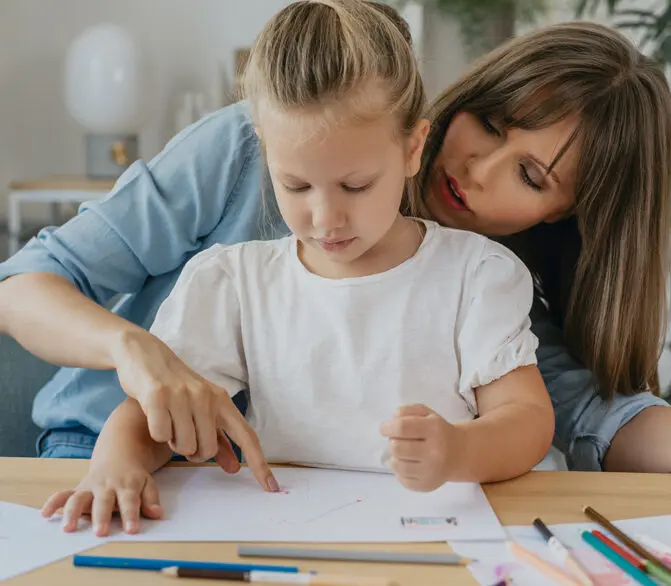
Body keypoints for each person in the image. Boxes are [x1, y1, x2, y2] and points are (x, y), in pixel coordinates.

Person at [0, 4, 669, 474]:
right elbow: (26, 283)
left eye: (527, 175)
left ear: (564, 214)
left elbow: (587, 414)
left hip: (295, 492)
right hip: (104, 450)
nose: (474, 167)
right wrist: (134, 350)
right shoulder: (258, 142)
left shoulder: (484, 275)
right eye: (489, 124)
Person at [40, 0, 554, 536]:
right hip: (287, 528)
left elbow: (528, 420)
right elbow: (160, 410)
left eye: (356, 186)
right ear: (265, 150)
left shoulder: (475, 274)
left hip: (431, 532)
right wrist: (116, 461)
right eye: (296, 185)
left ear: (413, 149)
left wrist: (459, 450)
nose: (326, 218)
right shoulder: (236, 282)